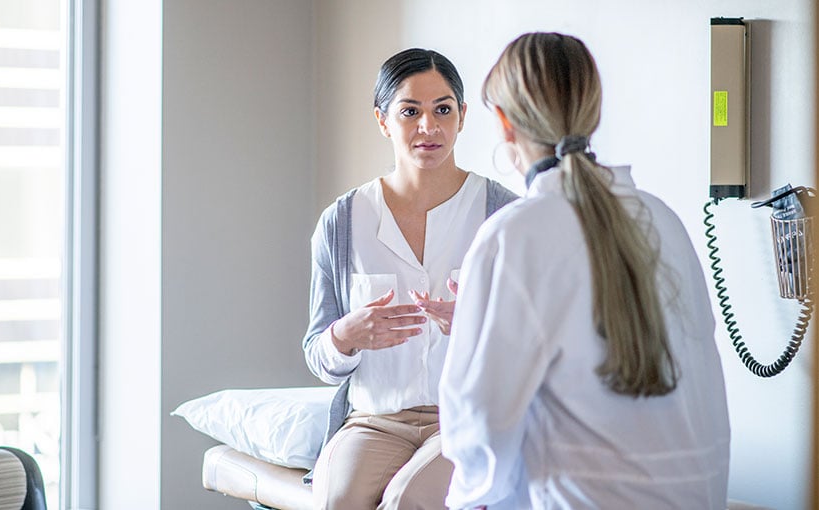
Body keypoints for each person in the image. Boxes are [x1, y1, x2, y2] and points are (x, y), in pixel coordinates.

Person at [438, 32, 731, 510]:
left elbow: (478, 429)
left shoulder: (513, 235)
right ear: (592, 112)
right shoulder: (662, 219)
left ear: (503, 124)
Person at [302, 48, 517, 510]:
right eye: (410, 112)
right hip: (373, 420)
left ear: (462, 115)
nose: (428, 127)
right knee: (336, 500)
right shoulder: (342, 223)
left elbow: (536, 347)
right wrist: (344, 335)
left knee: (406, 501)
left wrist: (480, 328)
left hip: (466, 419)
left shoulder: (502, 215)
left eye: (443, 109)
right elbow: (317, 355)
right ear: (382, 120)